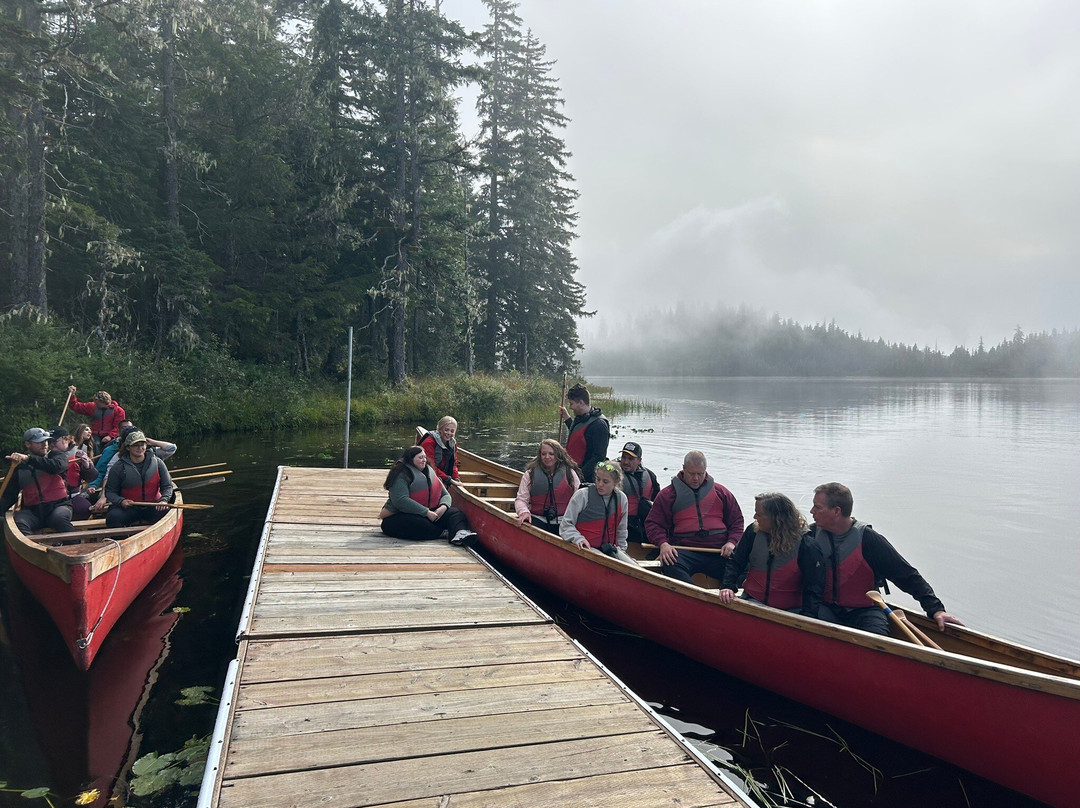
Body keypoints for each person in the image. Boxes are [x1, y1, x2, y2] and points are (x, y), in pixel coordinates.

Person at [809, 482, 963, 635]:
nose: (812, 511)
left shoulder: (869, 540)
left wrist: (936, 610)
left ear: (836, 511)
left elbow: (906, 575)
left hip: (865, 611)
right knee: (808, 620)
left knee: (879, 640)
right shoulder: (810, 536)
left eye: (818, 507)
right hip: (825, 609)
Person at [644, 450, 744, 584]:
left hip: (719, 552)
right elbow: (653, 524)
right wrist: (663, 544)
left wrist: (731, 542)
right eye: (691, 474)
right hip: (685, 552)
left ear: (705, 471)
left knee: (743, 568)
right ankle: (694, 593)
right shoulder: (667, 495)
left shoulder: (722, 493)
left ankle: (730, 594)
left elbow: (736, 522)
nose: (696, 478)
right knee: (670, 563)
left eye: (700, 474)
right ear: (684, 469)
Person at [719, 493, 824, 616]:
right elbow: (736, 562)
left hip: (790, 611)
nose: (754, 517)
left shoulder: (807, 545)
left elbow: (814, 586)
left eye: (759, 514)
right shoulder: (752, 533)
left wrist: (808, 617)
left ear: (775, 518)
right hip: (752, 601)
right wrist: (727, 586)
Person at [379, 446, 476, 545]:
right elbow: (401, 501)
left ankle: (460, 533)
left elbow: (445, 494)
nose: (424, 460)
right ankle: (442, 532)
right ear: (410, 459)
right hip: (405, 514)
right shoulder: (401, 475)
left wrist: (442, 507)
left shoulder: (429, 470)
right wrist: (426, 513)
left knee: (456, 513)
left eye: (424, 457)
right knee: (417, 524)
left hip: (433, 513)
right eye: (420, 458)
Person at [1, 428, 75, 534]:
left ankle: (75, 546)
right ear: (28, 444)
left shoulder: (57, 456)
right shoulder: (19, 466)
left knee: (59, 519)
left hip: (58, 506)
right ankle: (31, 548)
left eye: (46, 441)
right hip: (33, 511)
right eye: (39, 442)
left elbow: (56, 467)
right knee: (20, 523)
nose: (44, 444)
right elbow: (9, 496)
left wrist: (28, 459)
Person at [560, 461, 636, 563]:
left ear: (616, 482)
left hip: (610, 548)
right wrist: (578, 538)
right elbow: (566, 525)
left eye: (605, 482)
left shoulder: (621, 499)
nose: (600, 484)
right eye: (598, 479)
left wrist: (622, 551)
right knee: (603, 561)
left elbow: (621, 531)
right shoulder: (582, 495)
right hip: (585, 547)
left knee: (633, 566)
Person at [105, 430, 174, 527]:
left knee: (166, 513)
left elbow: (167, 486)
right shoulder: (118, 467)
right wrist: (121, 501)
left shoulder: (158, 463)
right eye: (135, 445)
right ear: (128, 447)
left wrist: (164, 500)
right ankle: (122, 540)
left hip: (153, 505)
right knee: (113, 517)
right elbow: (110, 492)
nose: (140, 448)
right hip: (129, 508)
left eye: (142, 444)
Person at [514, 439, 582, 534]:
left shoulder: (570, 473)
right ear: (539, 455)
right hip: (536, 519)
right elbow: (521, 499)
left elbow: (580, 499)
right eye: (543, 454)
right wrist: (524, 512)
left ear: (558, 455)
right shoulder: (530, 474)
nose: (547, 457)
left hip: (564, 521)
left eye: (551, 454)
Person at [558, 384, 609, 483]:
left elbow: (599, 456)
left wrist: (579, 476)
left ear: (581, 403)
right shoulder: (582, 417)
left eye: (571, 403)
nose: (570, 407)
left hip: (586, 478)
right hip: (572, 473)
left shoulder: (599, 425)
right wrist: (567, 418)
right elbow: (579, 434)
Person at [51, 426, 96, 520]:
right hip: (53, 498)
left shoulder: (79, 454)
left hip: (73, 496)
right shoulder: (46, 456)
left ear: (66, 439)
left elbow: (92, 477)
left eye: (55, 441)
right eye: (49, 441)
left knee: (84, 508)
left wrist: (87, 466)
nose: (51, 444)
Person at [618, 441, 659, 546]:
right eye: (624, 457)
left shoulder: (650, 476)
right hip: (622, 525)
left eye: (631, 459)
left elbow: (658, 502)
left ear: (639, 461)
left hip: (643, 525)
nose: (626, 462)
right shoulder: (613, 476)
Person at [68, 386, 126, 453]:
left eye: (97, 401)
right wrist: (72, 395)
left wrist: (110, 436)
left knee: (109, 448)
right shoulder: (92, 406)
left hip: (111, 436)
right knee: (94, 444)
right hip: (95, 434)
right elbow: (76, 406)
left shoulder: (118, 411)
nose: (95, 402)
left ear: (103, 402)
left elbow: (118, 427)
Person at [419, 416, 461, 488]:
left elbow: (453, 464)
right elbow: (430, 466)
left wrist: (456, 478)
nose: (449, 433)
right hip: (426, 473)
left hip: (441, 473)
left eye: (452, 431)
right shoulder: (429, 442)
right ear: (440, 429)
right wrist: (448, 479)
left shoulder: (453, 444)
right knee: (438, 481)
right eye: (446, 430)